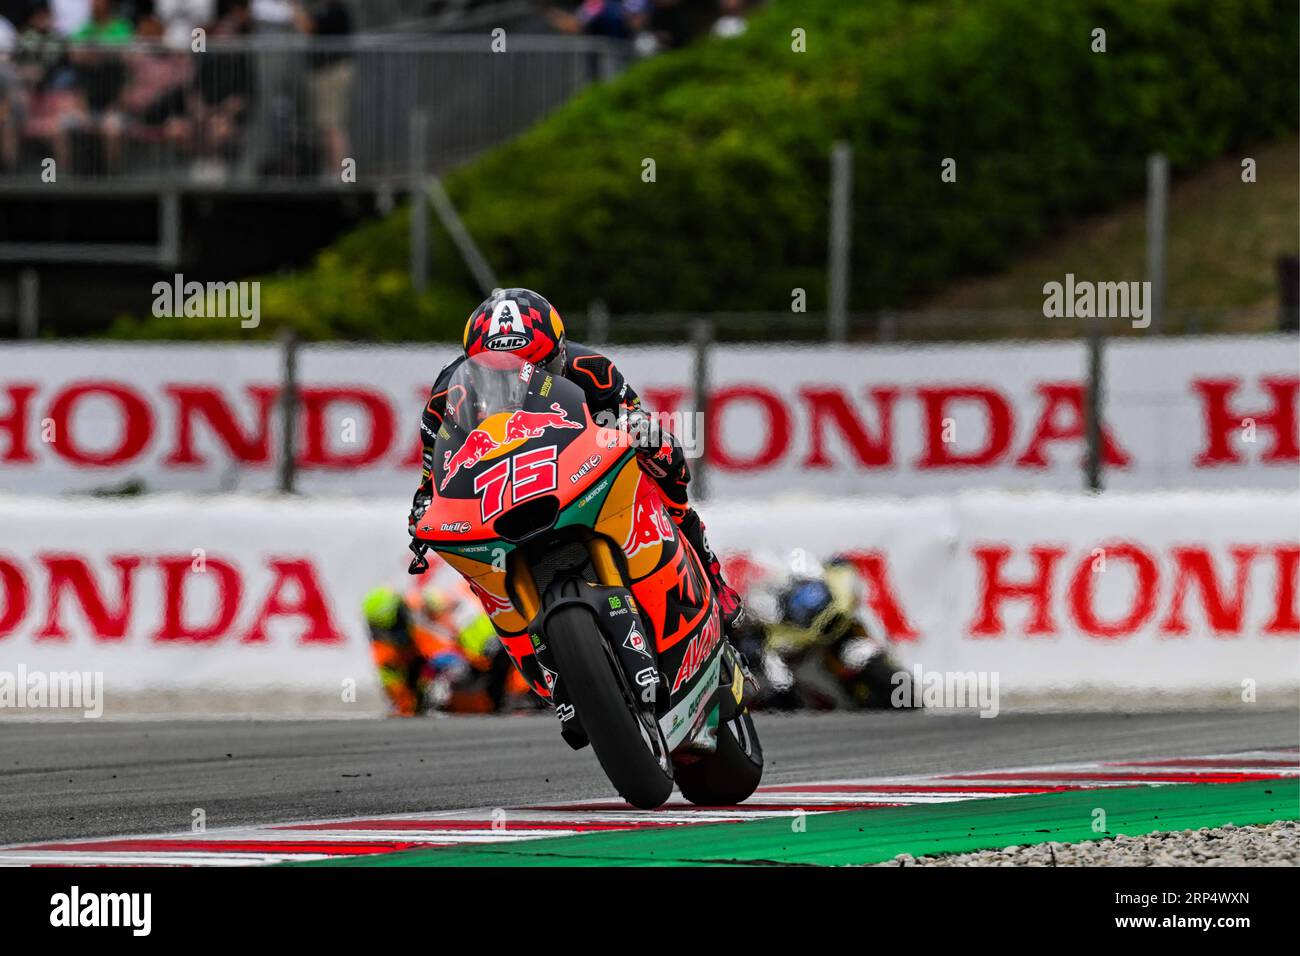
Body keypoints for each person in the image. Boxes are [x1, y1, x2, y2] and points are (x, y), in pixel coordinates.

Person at [406, 288, 746, 640]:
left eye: (537, 369)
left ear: (560, 353)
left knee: (668, 467)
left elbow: (635, 417)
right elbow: (435, 473)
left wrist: (639, 431)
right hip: (501, 486)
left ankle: (711, 575)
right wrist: (424, 505)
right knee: (471, 562)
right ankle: (520, 643)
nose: (521, 383)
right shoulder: (445, 399)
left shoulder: (594, 370)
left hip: (575, 467)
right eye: (499, 375)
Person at [364, 562, 525, 716]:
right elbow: (403, 704)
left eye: (399, 620)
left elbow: (458, 605)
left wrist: (458, 652)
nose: (397, 632)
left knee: (486, 644)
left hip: (472, 660)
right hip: (452, 696)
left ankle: (517, 685)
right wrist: (428, 685)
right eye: (390, 628)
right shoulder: (385, 658)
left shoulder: (422, 603)